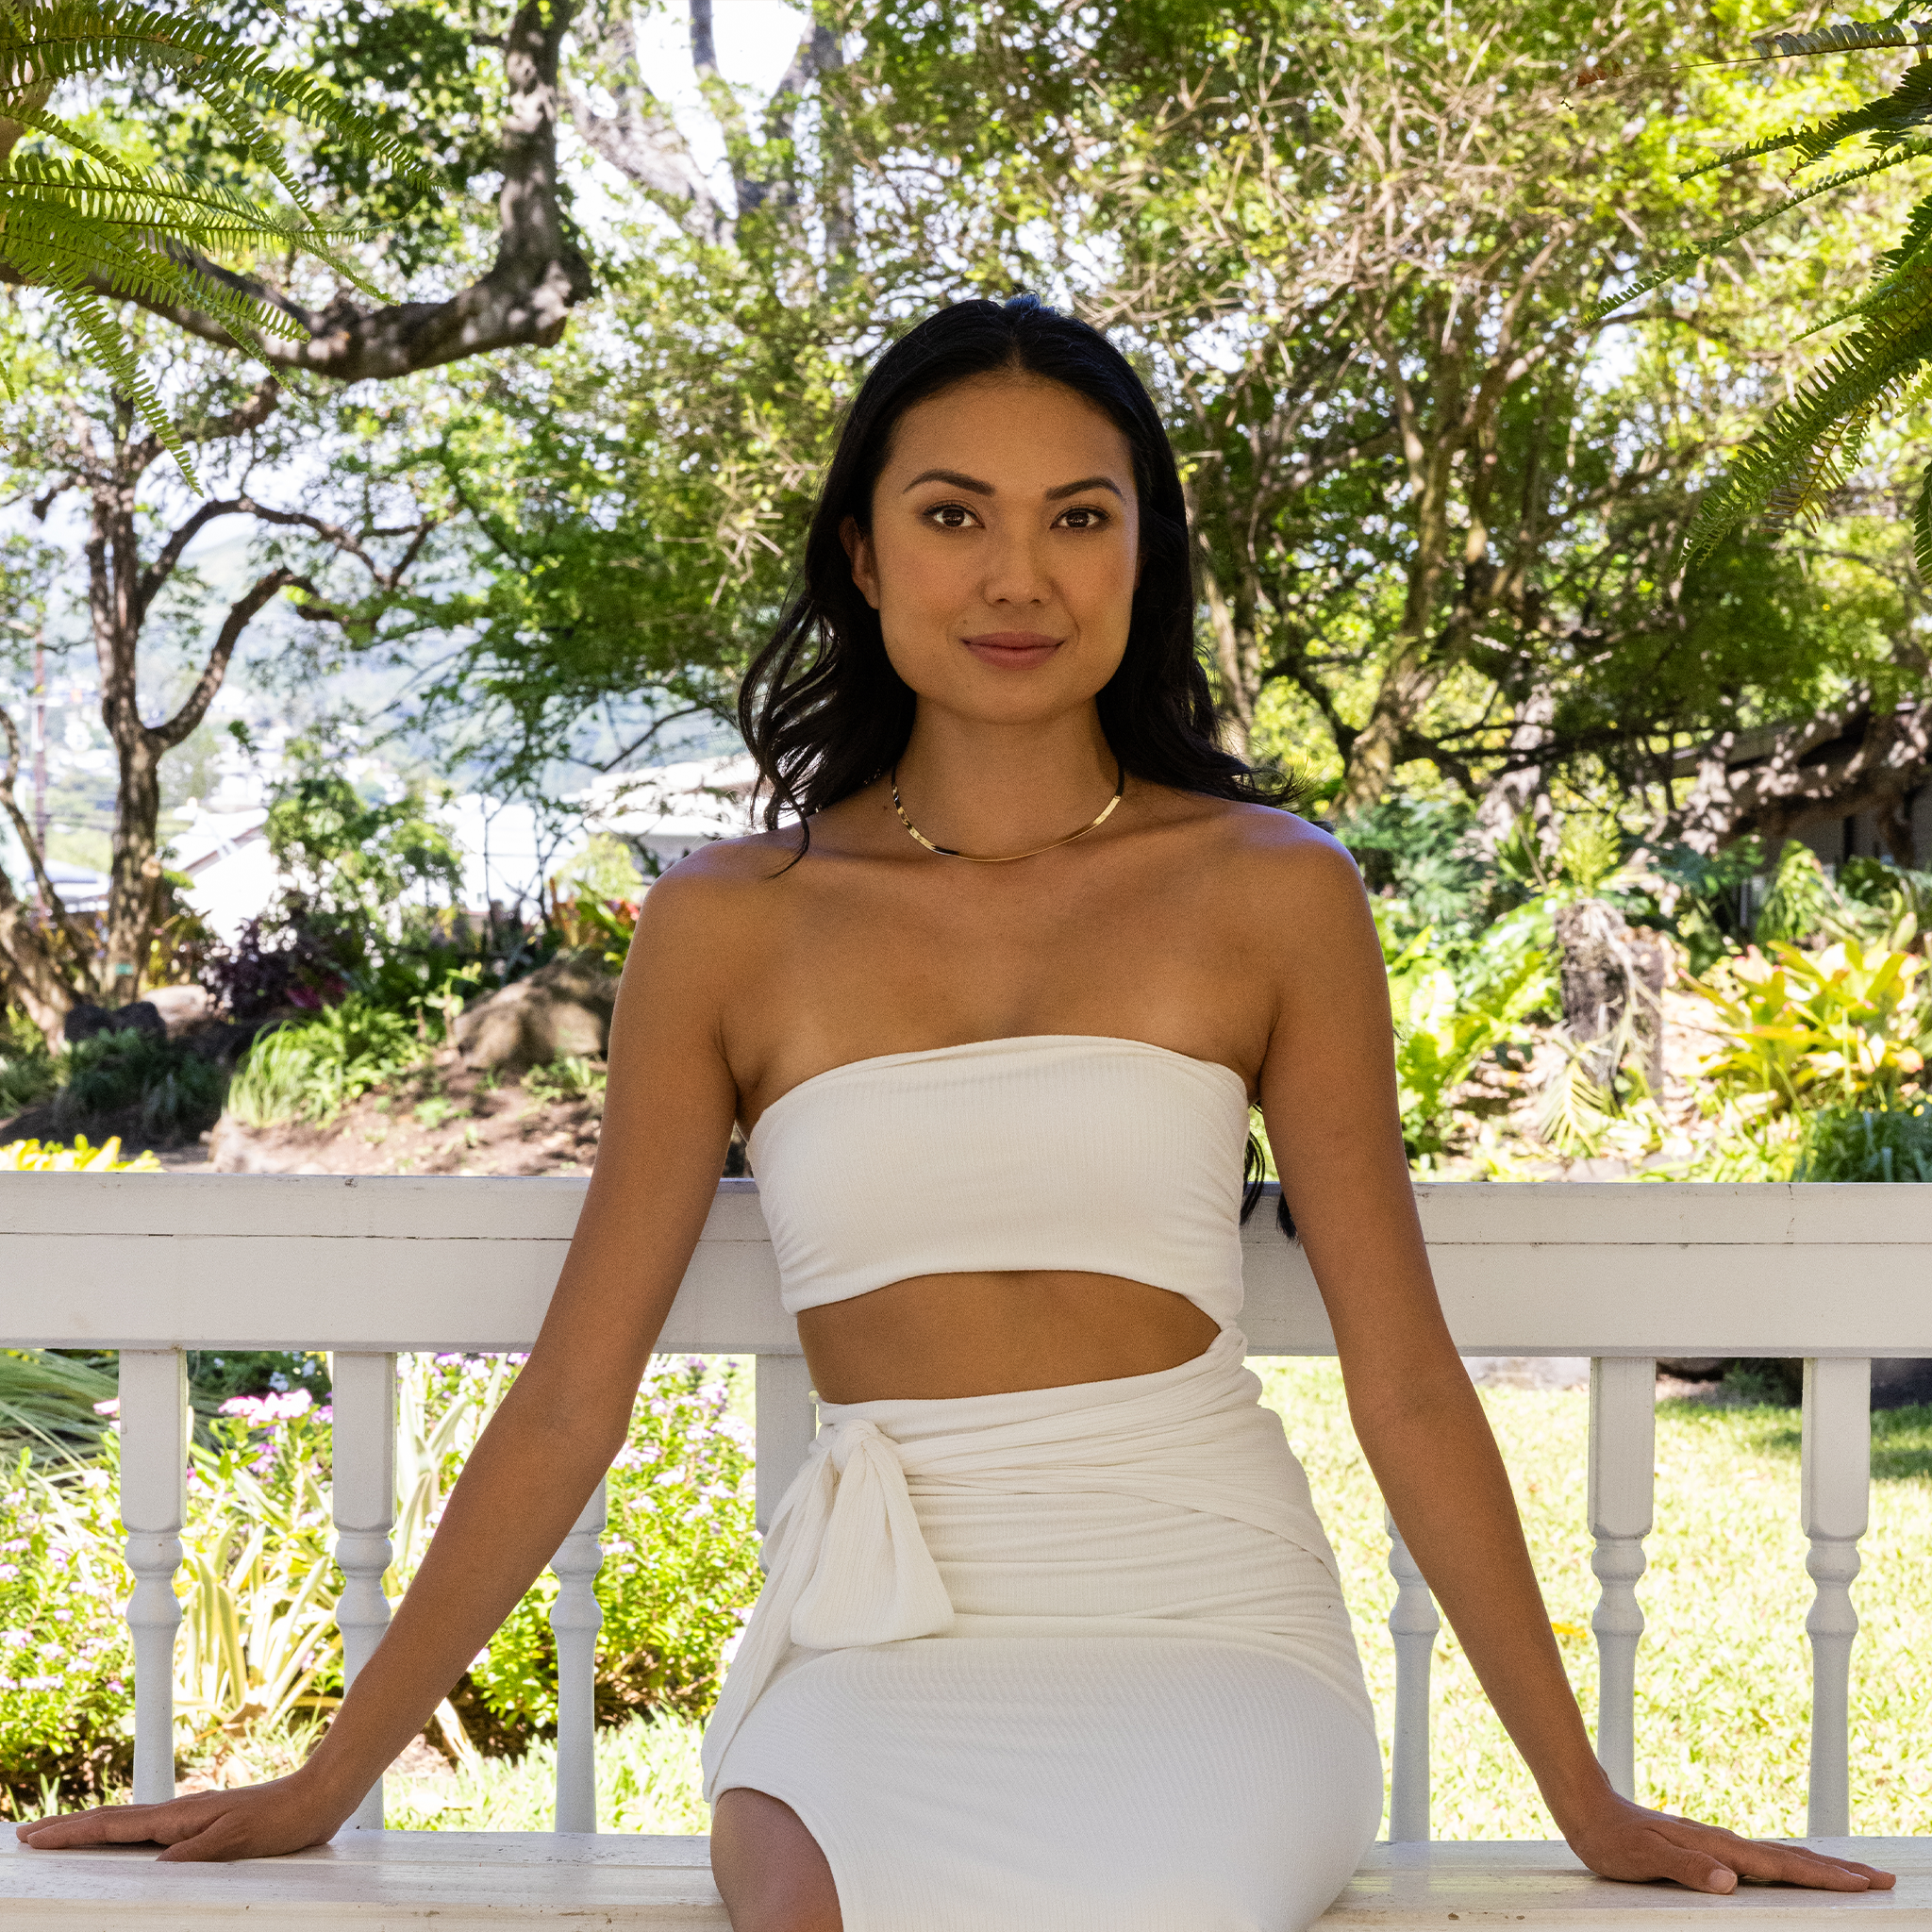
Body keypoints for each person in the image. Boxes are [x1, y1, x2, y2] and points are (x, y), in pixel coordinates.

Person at [18, 296, 1894, 1930]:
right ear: (862, 554)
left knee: (1153, 1902)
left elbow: (1402, 1376)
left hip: (1202, 1619)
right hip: (878, 1642)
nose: (1017, 576)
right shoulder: (725, 928)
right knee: (804, 1893)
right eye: (953, 516)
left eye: (1079, 518)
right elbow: (576, 1388)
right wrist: (323, 1782)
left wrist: (1587, 1798)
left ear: (1143, 551)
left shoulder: (1269, 892)